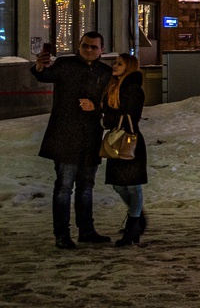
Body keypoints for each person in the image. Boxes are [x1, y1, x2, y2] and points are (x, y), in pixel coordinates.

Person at [31, 32, 113, 249]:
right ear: (79, 46)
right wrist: (39, 66)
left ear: (102, 50)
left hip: (91, 137)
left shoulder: (105, 72)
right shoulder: (66, 65)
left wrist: (96, 108)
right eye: (85, 46)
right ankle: (62, 234)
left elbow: (110, 103)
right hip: (65, 136)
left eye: (93, 47)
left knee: (86, 186)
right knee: (64, 187)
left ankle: (86, 230)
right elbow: (44, 75)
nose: (89, 50)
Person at [102, 53, 148, 247]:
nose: (115, 65)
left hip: (130, 141)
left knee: (133, 186)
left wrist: (108, 119)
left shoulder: (132, 88)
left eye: (120, 64)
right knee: (119, 185)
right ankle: (137, 218)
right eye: (115, 62)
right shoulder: (114, 86)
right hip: (118, 141)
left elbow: (130, 115)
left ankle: (132, 226)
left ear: (128, 67)